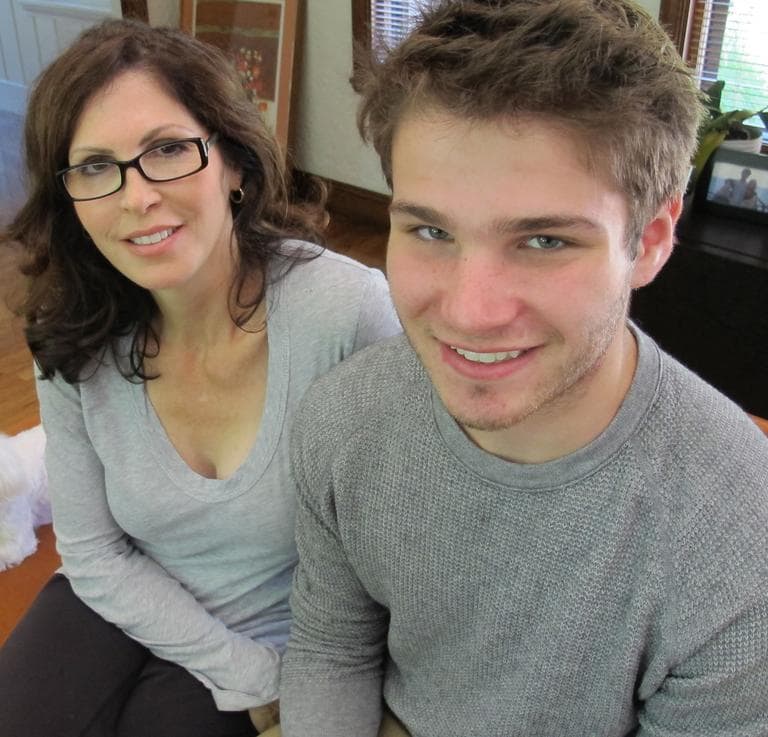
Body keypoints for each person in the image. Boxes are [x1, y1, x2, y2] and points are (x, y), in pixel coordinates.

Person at [279, 1, 768, 735]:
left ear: (653, 239)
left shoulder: (737, 535)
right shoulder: (343, 418)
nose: (471, 313)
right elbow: (331, 648)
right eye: (431, 230)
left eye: (543, 240)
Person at [0, 18, 400, 737]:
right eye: (94, 166)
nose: (137, 196)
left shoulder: (346, 312)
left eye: (167, 150)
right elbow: (92, 552)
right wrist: (250, 678)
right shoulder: (69, 328)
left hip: (285, 629)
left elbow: (412, 549)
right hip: (122, 594)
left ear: (234, 163)